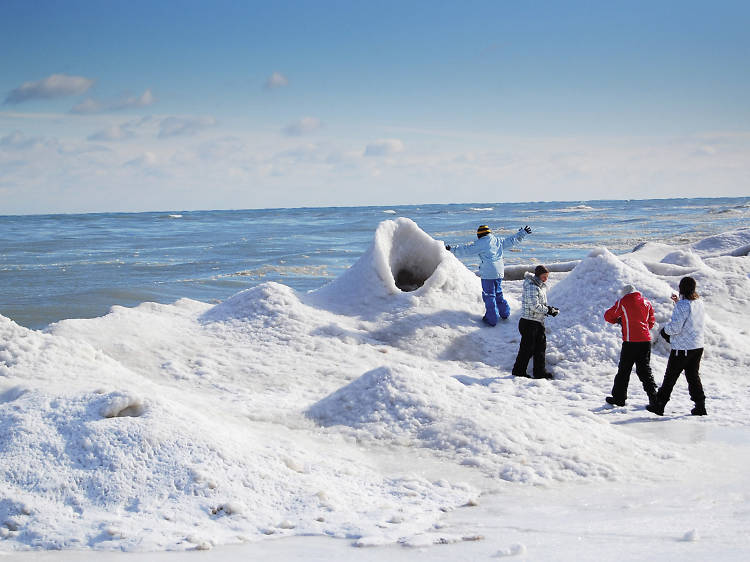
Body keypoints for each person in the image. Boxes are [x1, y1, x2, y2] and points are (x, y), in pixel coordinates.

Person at [446, 224, 531, 326]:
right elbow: (511, 240)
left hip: (488, 274)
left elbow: (466, 250)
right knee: (498, 293)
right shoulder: (497, 240)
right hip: (499, 272)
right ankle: (505, 313)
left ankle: (492, 319)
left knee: (489, 296)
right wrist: (522, 233)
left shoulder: (480, 243)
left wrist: (451, 249)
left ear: (479, 235)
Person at [647, 276, 707, 416]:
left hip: (683, 348)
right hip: (697, 346)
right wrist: (677, 303)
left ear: (681, 288)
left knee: (670, 376)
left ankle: (659, 405)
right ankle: (700, 405)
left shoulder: (683, 305)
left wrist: (663, 331)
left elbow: (675, 327)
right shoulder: (699, 303)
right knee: (693, 376)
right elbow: (688, 314)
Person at [603, 284, 657, 407]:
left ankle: (619, 398)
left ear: (625, 294)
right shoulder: (647, 302)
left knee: (624, 370)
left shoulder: (623, 302)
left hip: (630, 341)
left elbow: (608, 315)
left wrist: (618, 321)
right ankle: (654, 398)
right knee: (644, 370)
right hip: (645, 341)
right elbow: (651, 322)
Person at [511, 265, 558, 379]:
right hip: (528, 323)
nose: (546, 279)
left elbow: (540, 304)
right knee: (527, 349)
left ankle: (540, 372)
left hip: (537, 321)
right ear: (538, 275)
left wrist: (549, 309)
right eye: (544, 276)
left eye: (547, 276)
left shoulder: (540, 286)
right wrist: (549, 310)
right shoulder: (532, 287)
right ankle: (518, 372)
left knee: (540, 348)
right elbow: (534, 306)